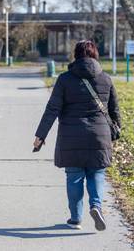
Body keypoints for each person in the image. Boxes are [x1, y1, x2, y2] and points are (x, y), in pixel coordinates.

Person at [34, 40, 121, 231]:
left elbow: (52, 109)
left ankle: (75, 218)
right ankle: (96, 206)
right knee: (97, 173)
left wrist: (40, 135)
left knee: (74, 177)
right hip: (100, 135)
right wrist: (117, 131)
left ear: (76, 55)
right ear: (95, 55)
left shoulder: (65, 79)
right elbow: (114, 111)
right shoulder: (106, 79)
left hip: (71, 136)